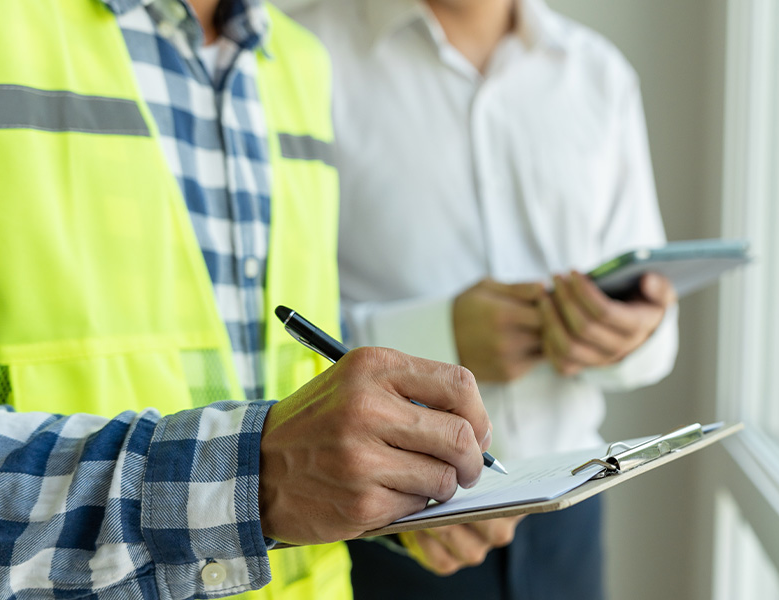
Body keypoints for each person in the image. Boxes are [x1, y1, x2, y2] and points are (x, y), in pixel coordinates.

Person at [0, 1, 495, 599]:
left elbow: (284, 378)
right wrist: (250, 479)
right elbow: (266, 461)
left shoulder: (298, 61)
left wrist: (385, 481)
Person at [285, 0, 680, 598]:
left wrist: (629, 336)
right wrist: (442, 338)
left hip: (569, 514)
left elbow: (656, 328)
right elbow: (271, 325)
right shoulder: (301, 57)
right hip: (396, 517)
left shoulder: (600, 74)